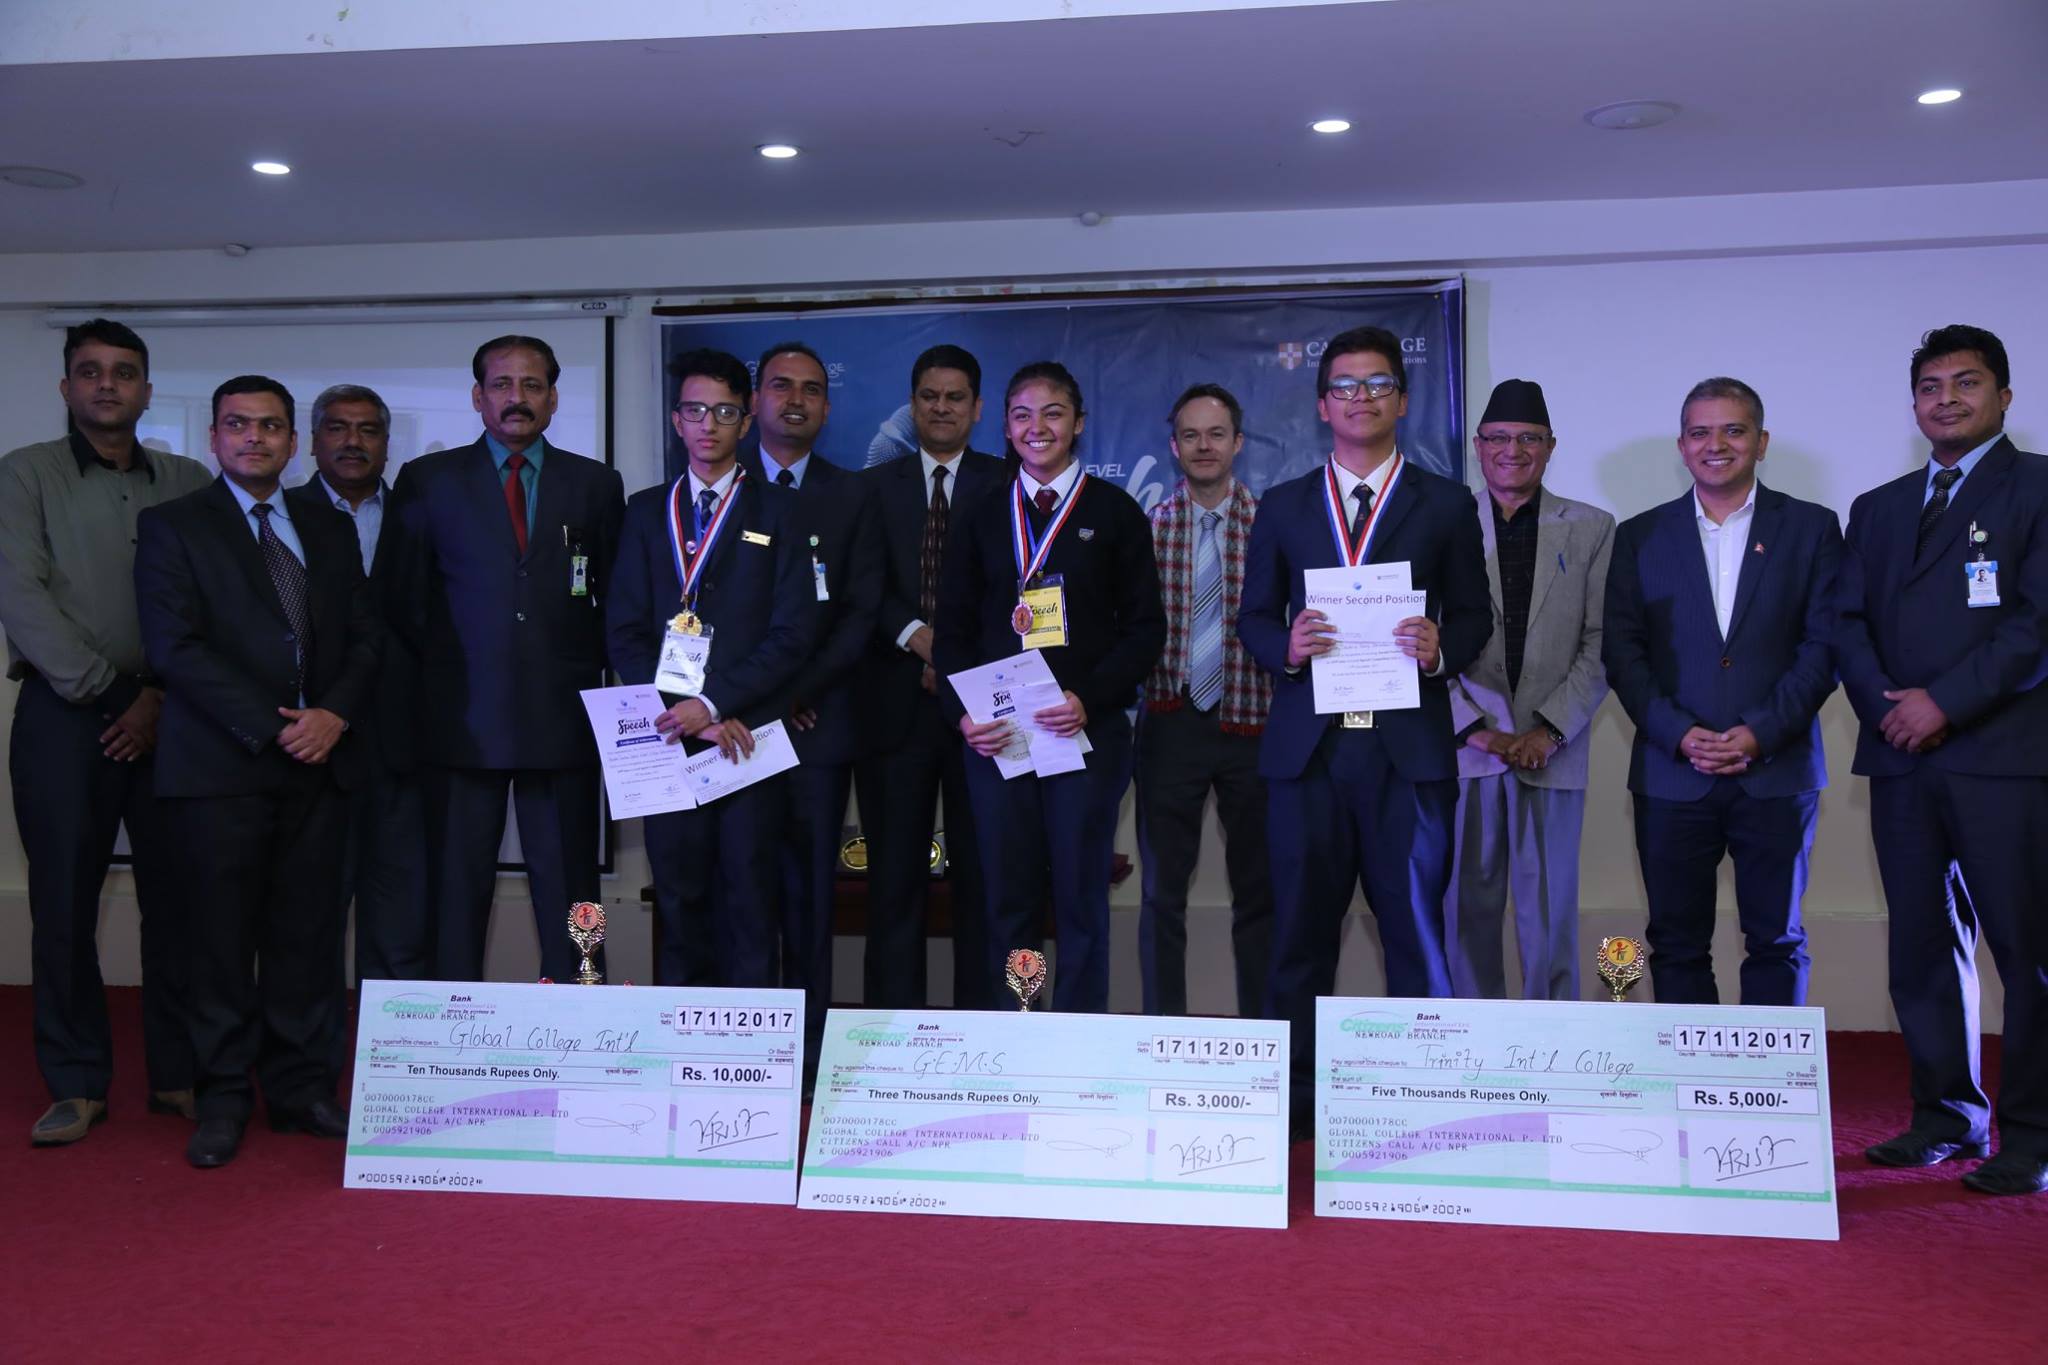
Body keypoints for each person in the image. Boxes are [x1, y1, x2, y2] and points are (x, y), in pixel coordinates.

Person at [1236, 325, 1490, 1127]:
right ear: (1322, 406)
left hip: (1406, 754)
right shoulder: (1283, 505)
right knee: (1298, 933)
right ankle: (1294, 1104)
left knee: (1414, 930)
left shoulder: (1445, 502)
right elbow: (1252, 616)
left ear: (1401, 400)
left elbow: (1475, 614)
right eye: (1344, 386)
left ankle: (1419, 1098)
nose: (1361, 398)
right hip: (1307, 755)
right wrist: (1285, 646)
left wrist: (1443, 646)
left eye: (1377, 383)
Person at [134, 375, 380, 1168]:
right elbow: (175, 648)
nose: (254, 438)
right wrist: (277, 727)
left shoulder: (329, 524)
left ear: (293, 442)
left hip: (321, 763)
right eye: (238, 424)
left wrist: (332, 714)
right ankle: (222, 1098)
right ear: (213, 437)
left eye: (270, 426)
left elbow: (366, 636)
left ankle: (302, 1089)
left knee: (307, 940)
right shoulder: (173, 525)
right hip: (222, 768)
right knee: (219, 943)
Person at [1839, 324, 2048, 1196]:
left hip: (2004, 759)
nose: (1947, 398)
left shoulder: (2039, 488)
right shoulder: (1878, 508)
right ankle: (1945, 1115)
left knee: (2027, 953)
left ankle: (2032, 1135)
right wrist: (1890, 708)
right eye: (1931, 386)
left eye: (1967, 382)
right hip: (1902, 761)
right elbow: (1845, 623)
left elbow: (2036, 625)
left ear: (2004, 396)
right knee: (1922, 947)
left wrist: (1943, 703)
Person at [1, 318, 212, 1146]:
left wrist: (156, 696)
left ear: (147, 391)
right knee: (63, 905)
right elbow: (21, 597)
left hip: (174, 717)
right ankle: (77, 1081)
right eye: (89, 371)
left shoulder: (189, 479)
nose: (106, 385)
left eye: (123, 372)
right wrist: (116, 694)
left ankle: (178, 1074)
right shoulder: (23, 475)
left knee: (181, 903)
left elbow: (214, 597)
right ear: (66, 387)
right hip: (65, 716)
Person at [380, 336, 624, 984]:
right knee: (454, 891)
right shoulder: (427, 480)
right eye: (502, 384)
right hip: (460, 721)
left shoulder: (595, 484)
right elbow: (401, 600)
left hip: (563, 720)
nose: (517, 398)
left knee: (575, 895)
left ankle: (584, 1006)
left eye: (532, 385)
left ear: (553, 398)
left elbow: (615, 600)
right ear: (477, 396)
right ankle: (451, 1016)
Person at [934, 361, 1165, 1013]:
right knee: (1009, 901)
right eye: (1022, 415)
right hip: (998, 741)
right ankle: (1021, 1024)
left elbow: (1145, 630)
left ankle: (1078, 1034)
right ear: (1006, 428)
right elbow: (951, 633)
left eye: (1053, 413)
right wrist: (962, 715)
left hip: (1083, 738)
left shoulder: (1115, 513)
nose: (1038, 427)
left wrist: (1088, 698)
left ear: (1078, 423)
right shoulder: (980, 514)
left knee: (1080, 897)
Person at [1604, 377, 1840, 1008]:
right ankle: (1690, 1073)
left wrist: (1762, 731)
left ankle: (1771, 1072)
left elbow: (1825, 645)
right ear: (1682, 446)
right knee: (1676, 944)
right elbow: (1622, 652)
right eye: (1700, 432)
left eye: (1734, 430)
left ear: (1761, 442)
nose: (1717, 445)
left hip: (1778, 771)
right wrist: (1679, 733)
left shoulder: (1812, 528)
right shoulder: (1639, 536)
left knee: (1777, 940)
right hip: (1671, 772)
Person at [609, 349, 814, 988]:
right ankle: (681, 1039)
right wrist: (684, 713)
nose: (708, 424)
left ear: (746, 422)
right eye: (695, 411)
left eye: (724, 412)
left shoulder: (781, 512)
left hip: (746, 738)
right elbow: (623, 630)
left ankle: (751, 1043)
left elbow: (792, 634)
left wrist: (715, 703)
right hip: (668, 739)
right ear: (677, 421)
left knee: (751, 902)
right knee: (679, 900)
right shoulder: (644, 511)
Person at [1444, 379, 1613, 1000]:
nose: (1512, 451)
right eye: (1498, 438)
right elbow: (1423, 639)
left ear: (1550, 446)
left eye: (1528, 438)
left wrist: (1551, 729)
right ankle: (1470, 1031)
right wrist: (1476, 729)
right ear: (1477, 445)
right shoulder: (1443, 521)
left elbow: (1602, 640)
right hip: (1468, 746)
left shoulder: (1593, 527)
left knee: (1551, 909)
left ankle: (1555, 1034)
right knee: (1465, 905)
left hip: (1554, 748)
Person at [745, 341, 881, 1074]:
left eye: (810, 389)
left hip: (816, 725)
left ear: (827, 407)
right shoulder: (719, 486)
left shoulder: (852, 494)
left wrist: (799, 693)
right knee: (740, 891)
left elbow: (860, 612)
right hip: (732, 731)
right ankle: (745, 1049)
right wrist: (753, 698)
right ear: (754, 401)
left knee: (810, 899)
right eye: (780, 386)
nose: (795, 400)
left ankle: (809, 1056)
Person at [856, 345, 1005, 1008]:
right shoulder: (870, 487)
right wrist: (922, 640)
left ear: (978, 408)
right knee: (893, 882)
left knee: (985, 878)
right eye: (929, 396)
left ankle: (982, 1031)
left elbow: (1016, 591)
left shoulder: (1008, 484)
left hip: (984, 714)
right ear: (912, 404)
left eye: (955, 397)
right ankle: (890, 1033)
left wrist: (957, 663)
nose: (941, 408)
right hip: (894, 709)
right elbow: (862, 585)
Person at [293, 385, 429, 1034]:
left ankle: (395, 1060)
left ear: (387, 443)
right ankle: (310, 1068)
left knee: (401, 924)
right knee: (309, 924)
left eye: (369, 430)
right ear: (312, 441)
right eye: (338, 428)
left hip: (403, 748)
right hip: (309, 749)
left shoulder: (419, 517)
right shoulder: (280, 517)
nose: (353, 441)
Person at [1136, 382, 1272, 1016]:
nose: (1203, 446)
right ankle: (1160, 1032)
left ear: (1238, 442)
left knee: (1261, 892)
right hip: (1171, 722)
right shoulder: (1147, 529)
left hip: (1256, 725)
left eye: (1216, 434)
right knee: (1162, 893)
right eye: (1190, 435)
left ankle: (1269, 1036)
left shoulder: (1274, 525)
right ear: (1174, 447)